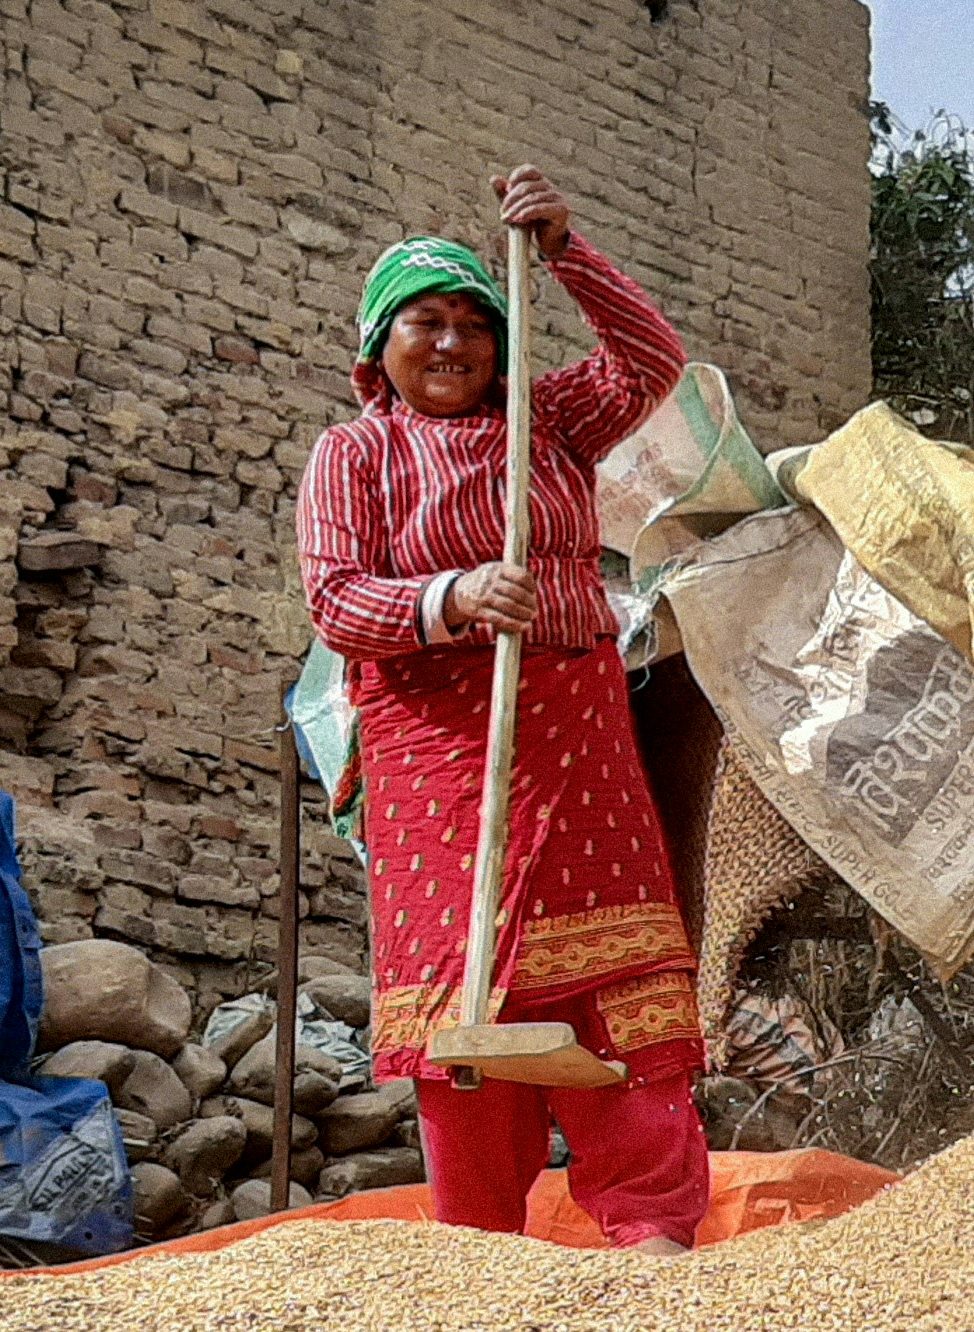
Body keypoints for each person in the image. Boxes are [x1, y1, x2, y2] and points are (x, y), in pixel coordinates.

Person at [294, 167, 710, 1255]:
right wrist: (454, 596)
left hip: (571, 726)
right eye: (424, 324)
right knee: (460, 990)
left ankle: (651, 1221)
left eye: (476, 325)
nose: (452, 345)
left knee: (614, 976)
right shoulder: (354, 455)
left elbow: (651, 364)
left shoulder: (552, 419)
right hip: (433, 746)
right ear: (378, 350)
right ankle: (479, 1241)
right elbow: (338, 598)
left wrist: (568, 248)